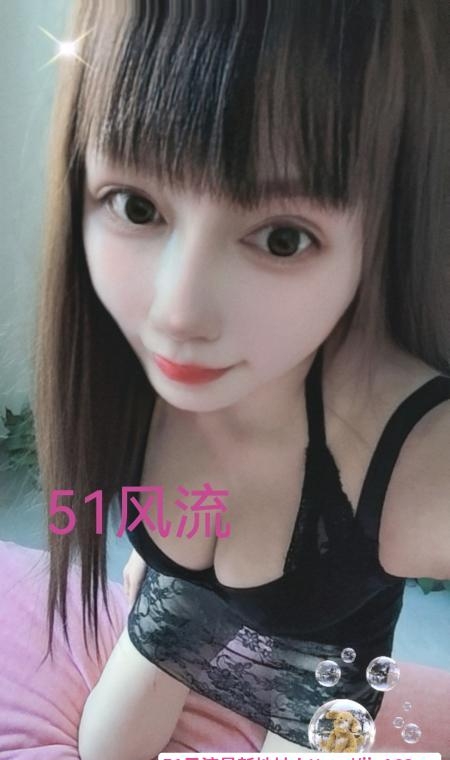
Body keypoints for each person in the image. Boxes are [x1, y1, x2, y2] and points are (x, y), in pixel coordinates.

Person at [32, 0, 450, 757]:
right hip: (183, 599)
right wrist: (155, 553)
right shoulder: (122, 357)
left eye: (282, 239)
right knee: (103, 747)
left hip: (326, 665)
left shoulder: (418, 456)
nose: (177, 314)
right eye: (137, 206)